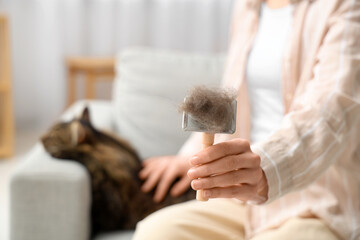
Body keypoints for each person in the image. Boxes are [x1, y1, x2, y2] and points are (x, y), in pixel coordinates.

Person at [133, 0, 360, 239]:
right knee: (155, 232)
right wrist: (192, 157)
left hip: (316, 201)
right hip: (239, 197)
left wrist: (265, 168)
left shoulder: (344, 5)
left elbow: (330, 111)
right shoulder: (247, 6)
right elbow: (231, 94)